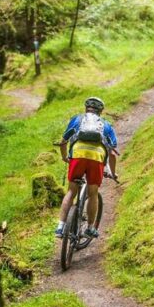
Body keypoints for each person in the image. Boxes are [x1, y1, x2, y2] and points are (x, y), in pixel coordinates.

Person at [55, 97, 118, 239]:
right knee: (93, 192)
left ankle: (60, 227)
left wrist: (65, 157)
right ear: (101, 111)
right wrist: (112, 173)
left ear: (86, 108)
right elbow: (112, 153)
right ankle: (90, 227)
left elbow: (63, 142)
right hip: (96, 158)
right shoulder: (106, 126)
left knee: (71, 191)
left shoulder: (77, 120)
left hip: (77, 155)